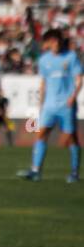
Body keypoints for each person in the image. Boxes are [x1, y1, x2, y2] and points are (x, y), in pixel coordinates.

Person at [17, 29, 82, 182]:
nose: (55, 44)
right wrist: (41, 104)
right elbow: (43, 83)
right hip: (49, 105)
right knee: (40, 134)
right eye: (52, 41)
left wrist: (73, 96)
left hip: (66, 105)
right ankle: (35, 171)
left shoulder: (71, 57)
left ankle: (74, 173)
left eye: (57, 40)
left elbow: (79, 79)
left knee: (71, 139)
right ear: (47, 43)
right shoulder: (44, 60)